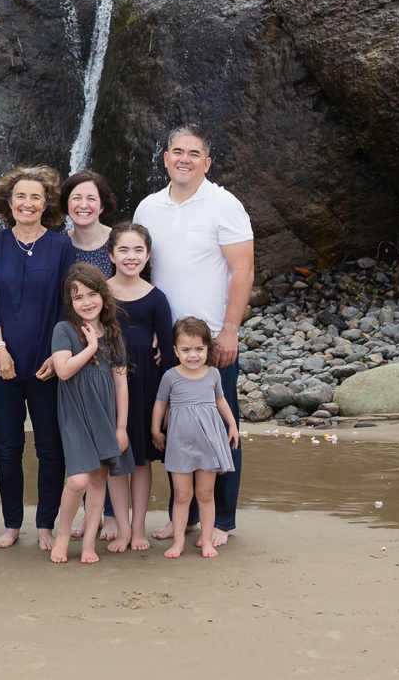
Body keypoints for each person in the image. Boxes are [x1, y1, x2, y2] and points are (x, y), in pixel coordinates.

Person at [133, 124, 254, 547]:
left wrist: (230, 330)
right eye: (177, 151)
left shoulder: (225, 204)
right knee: (176, 428)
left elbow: (243, 270)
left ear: (207, 162)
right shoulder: (147, 208)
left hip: (210, 342)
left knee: (221, 427)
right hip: (165, 342)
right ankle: (181, 517)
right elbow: (139, 270)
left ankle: (221, 519)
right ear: (165, 158)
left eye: (194, 153)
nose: (184, 159)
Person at [0, 165, 76, 551]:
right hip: (2, 362)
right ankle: (11, 524)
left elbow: (65, 303)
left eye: (36, 196)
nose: (28, 203)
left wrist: (57, 354)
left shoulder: (61, 246)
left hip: (46, 363)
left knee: (50, 446)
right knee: (8, 445)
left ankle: (45, 525)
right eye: (21, 196)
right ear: (9, 201)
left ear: (46, 203)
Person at [49, 263, 134, 565]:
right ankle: (62, 536)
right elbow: (63, 370)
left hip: (105, 414)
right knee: (78, 480)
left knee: (99, 478)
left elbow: (121, 384)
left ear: (103, 296)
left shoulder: (114, 335)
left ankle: (88, 544)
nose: (86, 302)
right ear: (70, 303)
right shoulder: (64, 330)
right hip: (75, 412)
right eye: (78, 297)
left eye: (92, 294)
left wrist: (121, 427)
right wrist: (91, 346)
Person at [105, 221, 173, 552]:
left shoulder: (157, 298)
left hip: (147, 382)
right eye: (123, 250)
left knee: (142, 458)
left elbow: (170, 351)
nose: (131, 256)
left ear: (148, 256)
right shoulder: (100, 294)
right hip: (109, 383)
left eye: (138, 250)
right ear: (111, 255)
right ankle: (119, 527)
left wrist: (170, 398)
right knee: (117, 458)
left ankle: (138, 527)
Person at [151, 317, 239, 559]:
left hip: (208, 445)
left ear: (208, 349)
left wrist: (232, 425)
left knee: (205, 494)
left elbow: (221, 401)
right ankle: (178, 541)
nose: (193, 355)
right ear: (176, 351)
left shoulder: (213, 375)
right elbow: (160, 404)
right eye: (186, 349)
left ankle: (207, 540)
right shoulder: (171, 376)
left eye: (199, 349)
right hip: (180, 445)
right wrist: (155, 430)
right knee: (181, 495)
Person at [61, 171, 117, 277]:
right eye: (76, 198)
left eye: (91, 199)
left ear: (102, 206)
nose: (83, 205)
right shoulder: (58, 245)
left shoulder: (120, 242)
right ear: (67, 204)